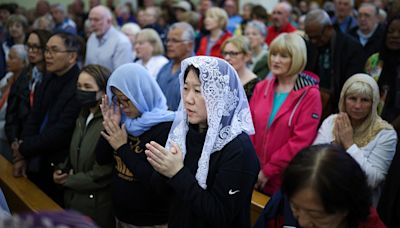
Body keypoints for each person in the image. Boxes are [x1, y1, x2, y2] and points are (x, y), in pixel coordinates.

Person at [143, 56, 259, 227]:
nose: (188, 99)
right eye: (185, 88)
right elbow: (163, 195)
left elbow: (220, 215)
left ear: (219, 95)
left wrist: (177, 173)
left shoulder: (238, 148)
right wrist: (162, 169)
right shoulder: (185, 132)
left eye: (198, 91)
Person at [97, 63, 175, 227]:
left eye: (126, 99)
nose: (122, 106)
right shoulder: (124, 121)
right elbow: (101, 159)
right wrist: (110, 126)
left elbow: (155, 183)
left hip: (150, 221)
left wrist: (122, 148)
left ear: (142, 94)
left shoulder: (166, 127)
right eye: (117, 100)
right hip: (121, 216)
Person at [12, 32, 82, 205]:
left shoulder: (78, 85)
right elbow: (34, 117)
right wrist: (22, 153)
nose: (47, 55)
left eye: (54, 50)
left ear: (72, 56)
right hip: (35, 155)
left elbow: (61, 132)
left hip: (57, 163)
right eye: (47, 50)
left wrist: (23, 148)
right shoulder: (49, 77)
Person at [250, 33, 322, 196]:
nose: (275, 60)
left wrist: (268, 171)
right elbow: (249, 127)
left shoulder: (310, 95)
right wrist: (252, 167)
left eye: (283, 56)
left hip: (282, 180)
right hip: (252, 172)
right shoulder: (262, 87)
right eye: (273, 54)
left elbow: (300, 141)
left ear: (296, 58)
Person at [313, 73, 397, 206]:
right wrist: (336, 144)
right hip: (323, 196)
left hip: (358, 206)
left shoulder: (385, 133)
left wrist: (349, 144)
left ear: (373, 102)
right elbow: (314, 160)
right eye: (352, 98)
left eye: (365, 100)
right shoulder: (331, 121)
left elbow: (372, 180)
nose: (357, 106)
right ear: (343, 100)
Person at [254, 144, 386, 228]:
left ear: (346, 208)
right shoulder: (281, 204)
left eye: (317, 215)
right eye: (296, 208)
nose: (303, 222)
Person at [53, 64, 114, 228]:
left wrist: (69, 180)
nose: (81, 90)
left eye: (87, 87)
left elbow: (103, 174)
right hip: (74, 200)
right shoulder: (83, 114)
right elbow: (75, 150)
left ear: (103, 91)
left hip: (94, 207)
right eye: (79, 86)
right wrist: (63, 168)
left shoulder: (109, 122)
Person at [304, 9, 364, 118]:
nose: (313, 41)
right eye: (310, 37)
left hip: (338, 108)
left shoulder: (351, 47)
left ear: (329, 29)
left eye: (316, 37)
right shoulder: (310, 45)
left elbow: (352, 85)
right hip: (311, 104)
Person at [5, 29, 51, 162]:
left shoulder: (52, 78)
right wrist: (14, 140)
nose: (31, 51)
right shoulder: (24, 74)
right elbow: (12, 112)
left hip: (39, 145)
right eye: (29, 46)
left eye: (36, 47)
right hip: (19, 138)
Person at [157, 22, 195, 111]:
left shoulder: (197, 70)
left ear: (189, 45)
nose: (169, 44)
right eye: (168, 40)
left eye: (175, 41)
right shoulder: (164, 68)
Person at [0, 45, 28, 161]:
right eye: (8, 57)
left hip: (8, 136)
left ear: (24, 63)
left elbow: (13, 119)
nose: (7, 60)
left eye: (12, 58)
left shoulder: (26, 86)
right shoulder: (7, 77)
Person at [85, 5, 133, 71]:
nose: (92, 24)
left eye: (96, 20)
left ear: (109, 21)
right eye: (90, 19)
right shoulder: (92, 38)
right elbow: (87, 67)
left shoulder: (121, 42)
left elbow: (122, 76)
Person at [221, 35, 258, 100]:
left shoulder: (256, 85)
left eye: (233, 53)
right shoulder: (220, 79)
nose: (227, 57)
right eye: (225, 53)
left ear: (247, 56)